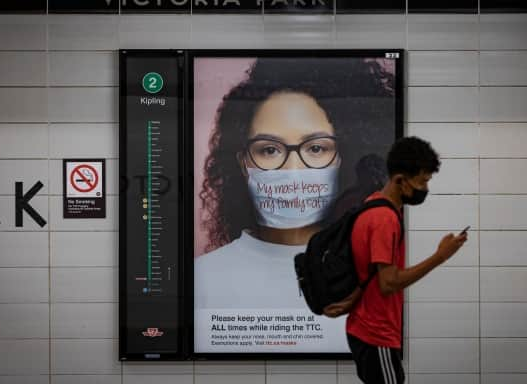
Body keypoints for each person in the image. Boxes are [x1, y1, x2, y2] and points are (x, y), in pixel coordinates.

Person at [192, 56, 398, 353]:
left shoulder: (374, 273)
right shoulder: (203, 278)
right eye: (269, 149)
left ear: (345, 156)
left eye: (316, 148)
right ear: (243, 163)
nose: (293, 170)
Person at [347, 136, 468, 384]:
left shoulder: (373, 206)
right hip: (375, 333)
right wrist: (439, 257)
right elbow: (388, 282)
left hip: (367, 329)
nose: (424, 189)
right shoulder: (384, 218)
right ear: (400, 180)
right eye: (422, 181)